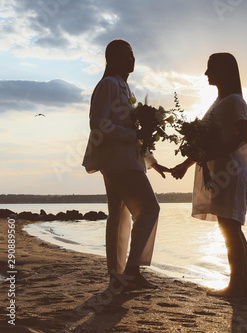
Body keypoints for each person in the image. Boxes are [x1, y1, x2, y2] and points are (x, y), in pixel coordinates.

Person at [82, 39, 171, 291]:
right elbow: (98, 124)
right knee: (150, 209)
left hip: (125, 160)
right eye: (125, 55)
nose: (131, 59)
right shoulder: (109, 84)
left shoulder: (125, 87)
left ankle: (117, 275)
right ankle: (131, 271)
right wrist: (133, 135)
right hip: (117, 162)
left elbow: (134, 131)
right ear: (111, 59)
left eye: (132, 55)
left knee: (119, 216)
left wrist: (152, 162)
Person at [172, 53, 247, 298]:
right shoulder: (219, 102)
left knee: (229, 226)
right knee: (230, 226)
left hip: (230, 170)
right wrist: (186, 164)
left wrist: (214, 152)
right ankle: (243, 281)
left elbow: (244, 135)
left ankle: (235, 285)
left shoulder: (234, 101)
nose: (206, 73)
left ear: (224, 71)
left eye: (210, 69)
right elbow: (205, 143)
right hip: (219, 171)